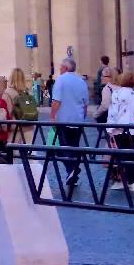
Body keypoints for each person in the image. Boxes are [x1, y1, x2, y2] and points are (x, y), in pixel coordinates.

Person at [50, 57, 89, 186]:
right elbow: (85, 104)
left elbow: (56, 101)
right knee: (74, 147)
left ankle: (72, 169)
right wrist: (83, 117)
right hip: (78, 120)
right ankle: (72, 173)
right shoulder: (81, 81)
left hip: (64, 120)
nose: (60, 69)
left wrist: (52, 116)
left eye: (61, 67)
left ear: (65, 68)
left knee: (65, 147)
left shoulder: (61, 80)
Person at [107, 72, 134, 190]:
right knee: (131, 156)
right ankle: (132, 182)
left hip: (118, 130)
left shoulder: (116, 94)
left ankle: (120, 181)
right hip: (133, 131)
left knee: (118, 157)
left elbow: (113, 113)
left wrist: (109, 130)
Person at [6, 67, 38, 144]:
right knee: (29, 153)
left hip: (15, 128)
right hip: (29, 126)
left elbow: (8, 112)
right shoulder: (27, 92)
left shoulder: (8, 93)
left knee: (15, 154)